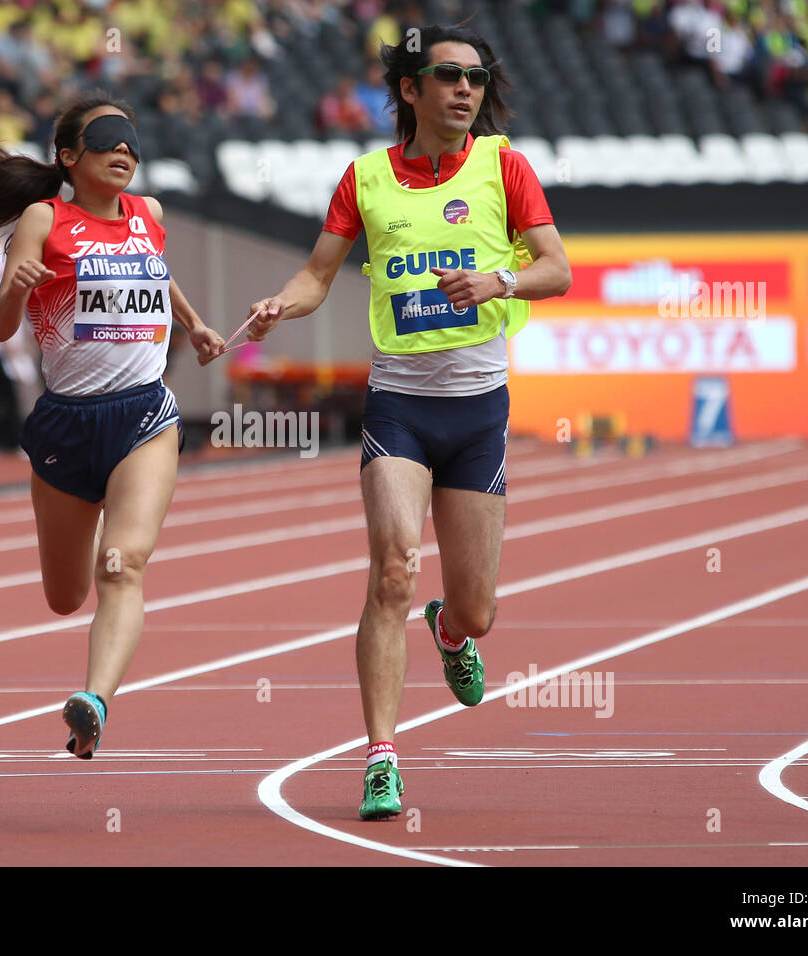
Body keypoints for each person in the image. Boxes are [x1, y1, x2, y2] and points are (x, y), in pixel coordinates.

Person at [244, 26, 571, 819]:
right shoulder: (363, 179)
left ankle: (450, 633)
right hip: (400, 404)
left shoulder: (506, 167)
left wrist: (497, 279)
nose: (466, 91)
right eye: (449, 77)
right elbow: (319, 274)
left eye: (477, 79)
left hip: (478, 409)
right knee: (392, 570)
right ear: (409, 90)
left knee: (477, 610)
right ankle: (382, 756)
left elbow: (556, 270)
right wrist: (279, 305)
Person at [0, 91, 225, 759]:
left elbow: (159, 276)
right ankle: (90, 659)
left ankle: (94, 700)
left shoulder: (149, 214)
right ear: (70, 157)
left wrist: (193, 324)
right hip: (67, 425)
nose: (124, 152)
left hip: (142, 415)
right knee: (64, 596)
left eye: (131, 141)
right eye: (107, 140)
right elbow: (3, 326)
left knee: (123, 565)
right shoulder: (45, 219)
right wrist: (16, 284)